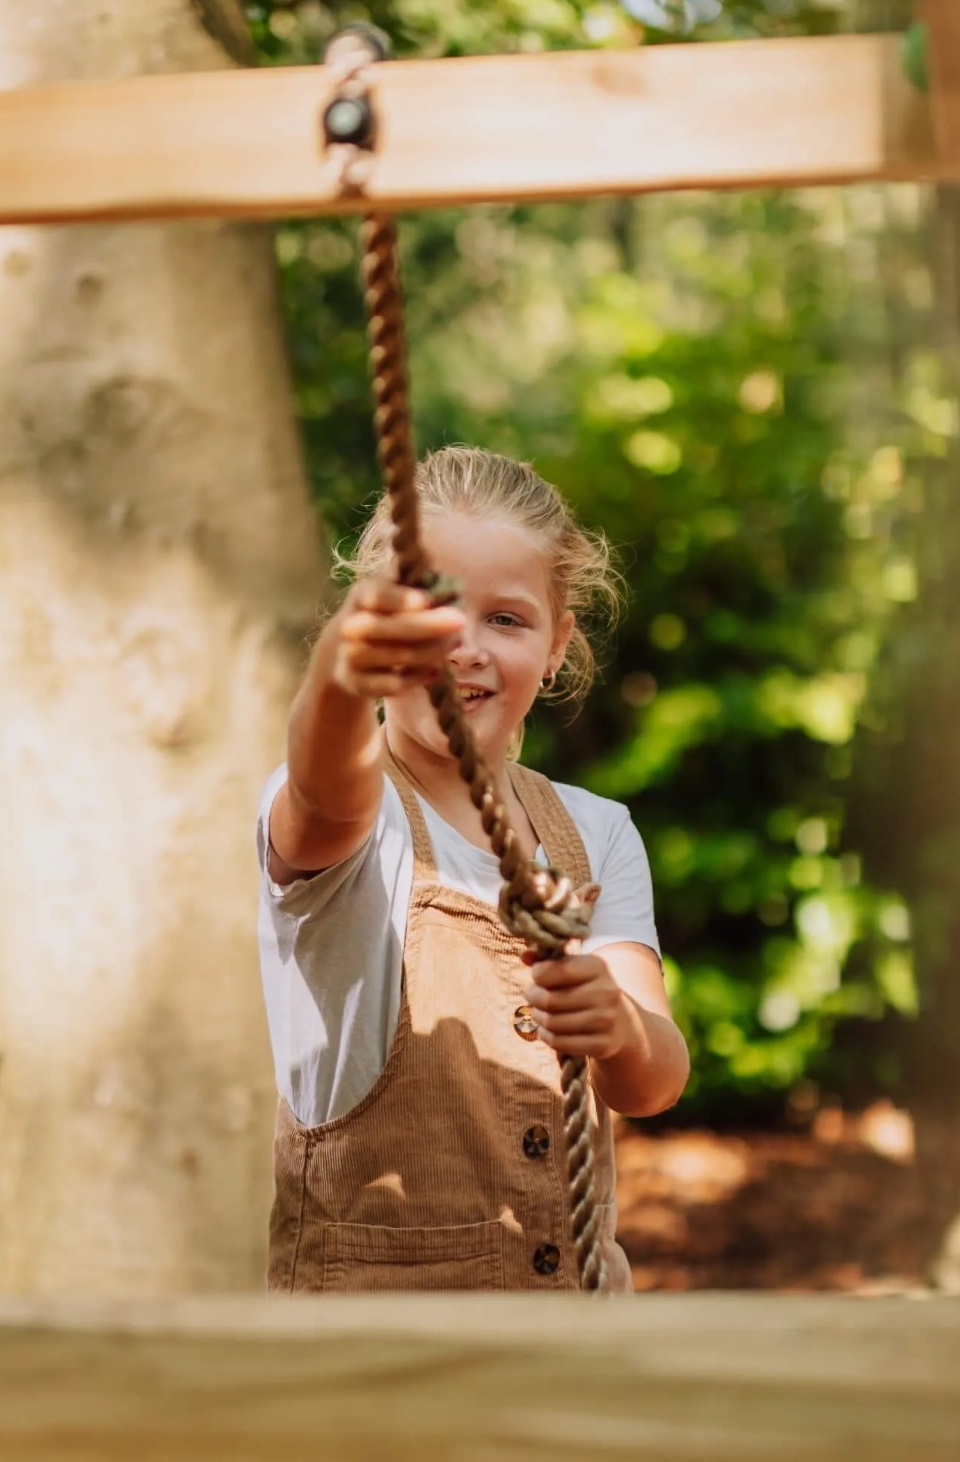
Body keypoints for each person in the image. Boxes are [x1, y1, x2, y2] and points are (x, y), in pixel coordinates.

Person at [256, 444, 689, 1293]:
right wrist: (341, 675)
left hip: (570, 1338)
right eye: (436, 616)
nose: (466, 650)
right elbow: (324, 784)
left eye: (507, 620)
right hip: (376, 1363)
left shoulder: (596, 833)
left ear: (558, 645)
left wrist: (620, 1028)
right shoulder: (360, 815)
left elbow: (654, 1081)